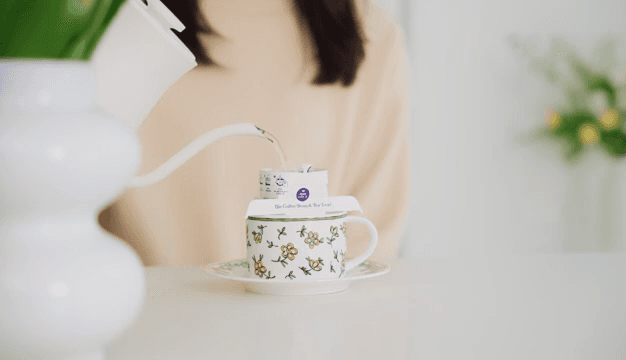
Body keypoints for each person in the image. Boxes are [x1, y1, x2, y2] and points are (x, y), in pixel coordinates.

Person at [99, 0, 410, 266]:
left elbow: (369, 245)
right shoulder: (104, 23)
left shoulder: (372, 35)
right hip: (132, 326)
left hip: (312, 330)